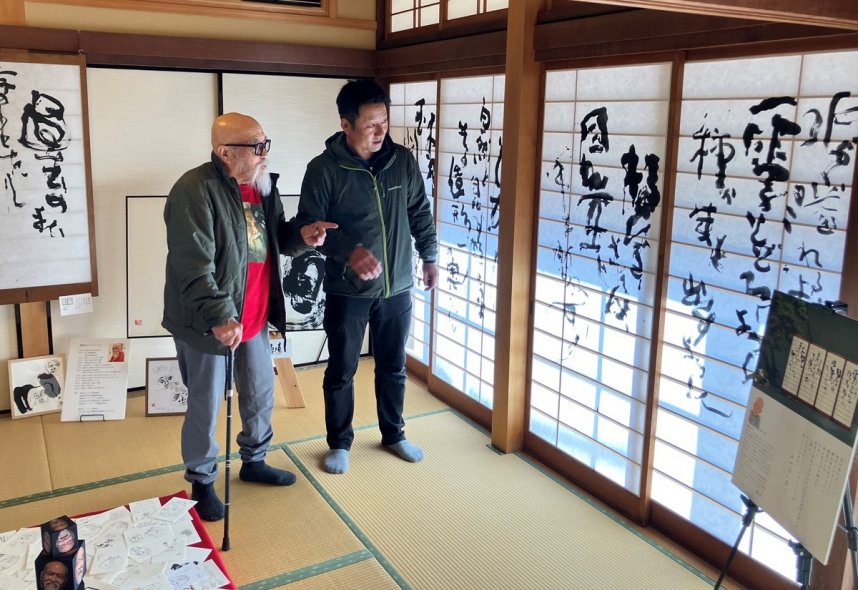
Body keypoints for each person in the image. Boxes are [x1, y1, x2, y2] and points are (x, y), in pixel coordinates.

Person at [163, 112, 336, 520]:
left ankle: (254, 460)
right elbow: (193, 266)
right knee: (207, 404)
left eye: (266, 144)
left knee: (259, 392)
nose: (264, 155)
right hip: (209, 322)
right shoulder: (194, 189)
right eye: (256, 147)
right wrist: (221, 315)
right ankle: (202, 480)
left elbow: (274, 238)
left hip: (254, 316)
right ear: (225, 152)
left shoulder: (262, 187)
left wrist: (302, 237)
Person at [295, 79, 438, 474]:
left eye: (385, 122)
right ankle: (339, 442)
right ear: (346, 125)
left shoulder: (402, 161)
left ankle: (393, 434)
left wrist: (429, 256)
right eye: (371, 124)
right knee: (342, 369)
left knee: (393, 365)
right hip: (348, 290)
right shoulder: (324, 170)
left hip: (398, 287)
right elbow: (309, 228)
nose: (381, 131)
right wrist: (348, 252)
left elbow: (419, 212)